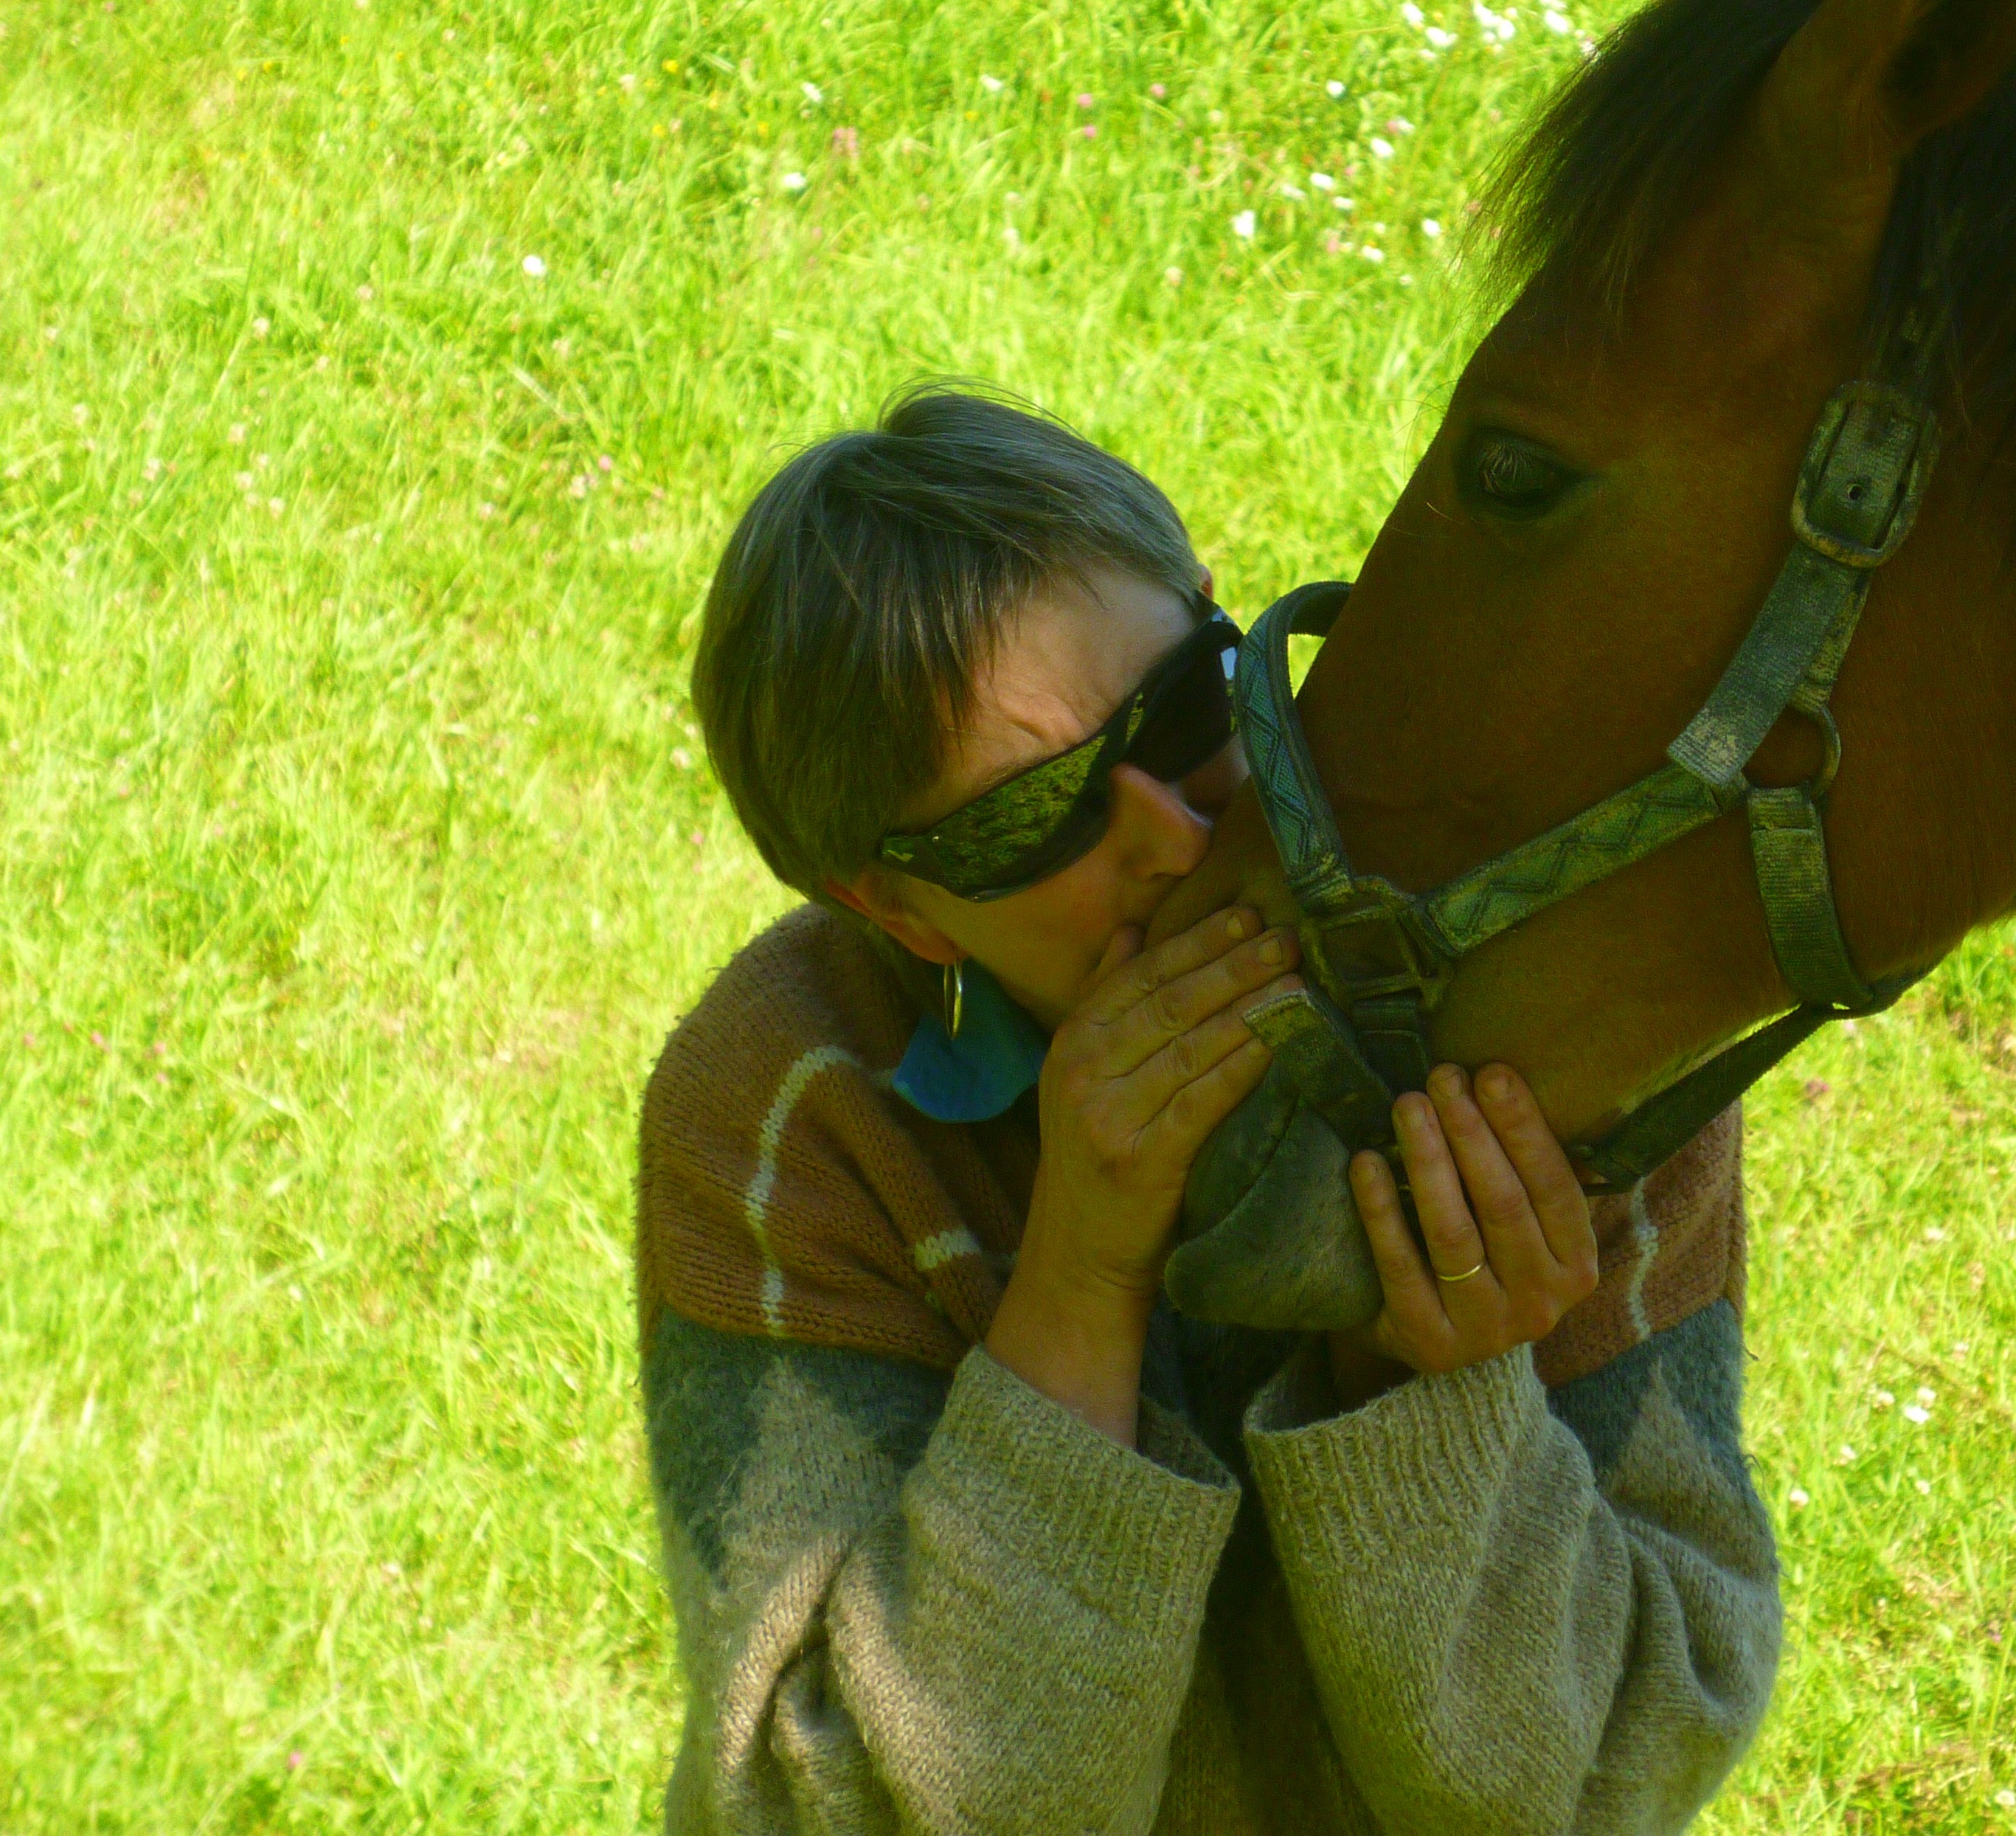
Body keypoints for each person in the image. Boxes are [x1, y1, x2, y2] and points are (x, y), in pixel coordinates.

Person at [635, 385, 1779, 1835]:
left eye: (1182, 710)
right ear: (899, 909)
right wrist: (1077, 1276)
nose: (1173, 837)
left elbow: (1625, 1766)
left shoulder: (1542, 993)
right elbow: (834, 1813)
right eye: (1026, 821)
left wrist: (1431, 1395)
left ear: (1222, 622)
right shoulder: (795, 1097)